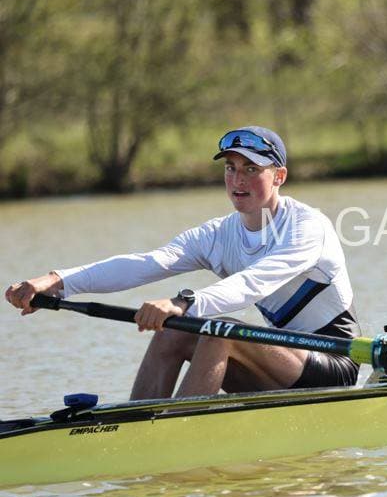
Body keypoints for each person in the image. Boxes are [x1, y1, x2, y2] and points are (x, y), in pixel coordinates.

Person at [5, 126, 360, 398]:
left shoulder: (307, 227)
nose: (238, 179)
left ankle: (180, 430)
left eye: (252, 169)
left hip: (334, 361)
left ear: (279, 176)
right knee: (174, 330)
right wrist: (57, 281)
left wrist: (184, 302)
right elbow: (148, 263)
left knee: (217, 330)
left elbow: (254, 282)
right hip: (280, 361)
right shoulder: (218, 235)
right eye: (231, 168)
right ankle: (138, 427)